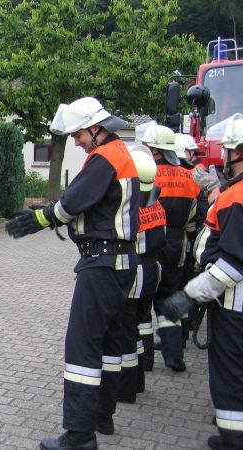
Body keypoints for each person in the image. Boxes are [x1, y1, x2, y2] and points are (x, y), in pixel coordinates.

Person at [6, 96, 140, 450]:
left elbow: (73, 203)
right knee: (109, 343)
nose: (77, 142)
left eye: (78, 134)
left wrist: (39, 218)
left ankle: (80, 435)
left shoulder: (104, 158)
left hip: (102, 264)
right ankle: (102, 415)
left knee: (82, 347)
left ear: (95, 129)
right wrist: (49, 212)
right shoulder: (120, 153)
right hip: (121, 262)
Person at [161, 113, 243, 450]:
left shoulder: (236, 197)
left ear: (237, 152)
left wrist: (190, 296)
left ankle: (233, 439)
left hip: (233, 303)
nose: (223, 157)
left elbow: (233, 263)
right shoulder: (231, 192)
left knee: (230, 374)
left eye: (227, 150)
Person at [140, 123, 200, 372]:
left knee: (143, 302)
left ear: (154, 149)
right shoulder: (189, 176)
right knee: (168, 298)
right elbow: (193, 216)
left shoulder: (150, 175)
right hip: (178, 244)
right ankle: (174, 356)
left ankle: (144, 361)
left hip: (151, 241)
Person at [118, 147, 166, 403]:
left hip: (134, 275)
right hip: (152, 272)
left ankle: (126, 390)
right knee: (137, 327)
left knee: (125, 333)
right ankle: (138, 381)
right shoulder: (156, 203)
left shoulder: (131, 208)